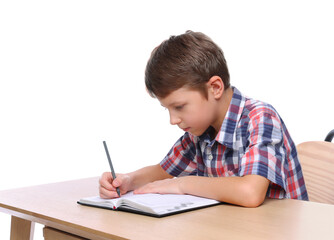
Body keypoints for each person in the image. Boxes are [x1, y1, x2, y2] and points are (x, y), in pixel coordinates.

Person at [99, 31, 308, 207]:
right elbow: (163, 171)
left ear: (215, 88)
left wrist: (183, 184)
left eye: (179, 107)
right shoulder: (198, 131)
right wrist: (128, 180)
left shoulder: (260, 118)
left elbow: (249, 192)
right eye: (167, 109)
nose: (173, 120)